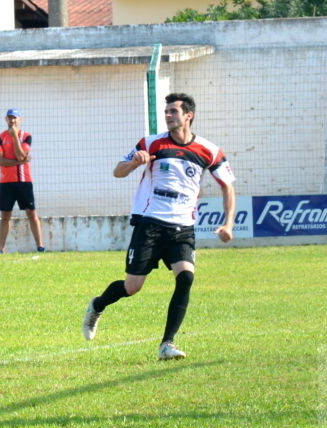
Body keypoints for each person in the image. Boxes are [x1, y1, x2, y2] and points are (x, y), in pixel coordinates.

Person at [81, 93, 236, 361]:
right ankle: (97, 305)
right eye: (166, 111)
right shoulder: (151, 143)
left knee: (186, 277)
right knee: (132, 287)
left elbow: (227, 186)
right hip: (150, 222)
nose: (168, 116)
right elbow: (117, 171)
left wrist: (228, 224)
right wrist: (134, 163)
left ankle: (167, 344)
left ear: (189, 115)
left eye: (173, 111)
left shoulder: (208, 150)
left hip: (182, 227)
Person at [0, 109, 45, 254]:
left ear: (20, 120)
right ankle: (0, 248)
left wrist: (15, 137)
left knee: (32, 214)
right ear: (6, 119)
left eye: (15, 118)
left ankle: (40, 246)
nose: (12, 121)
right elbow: (0, 161)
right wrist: (20, 161)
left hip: (24, 181)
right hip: (6, 183)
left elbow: (20, 154)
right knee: (5, 216)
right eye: (10, 118)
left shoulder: (26, 136)